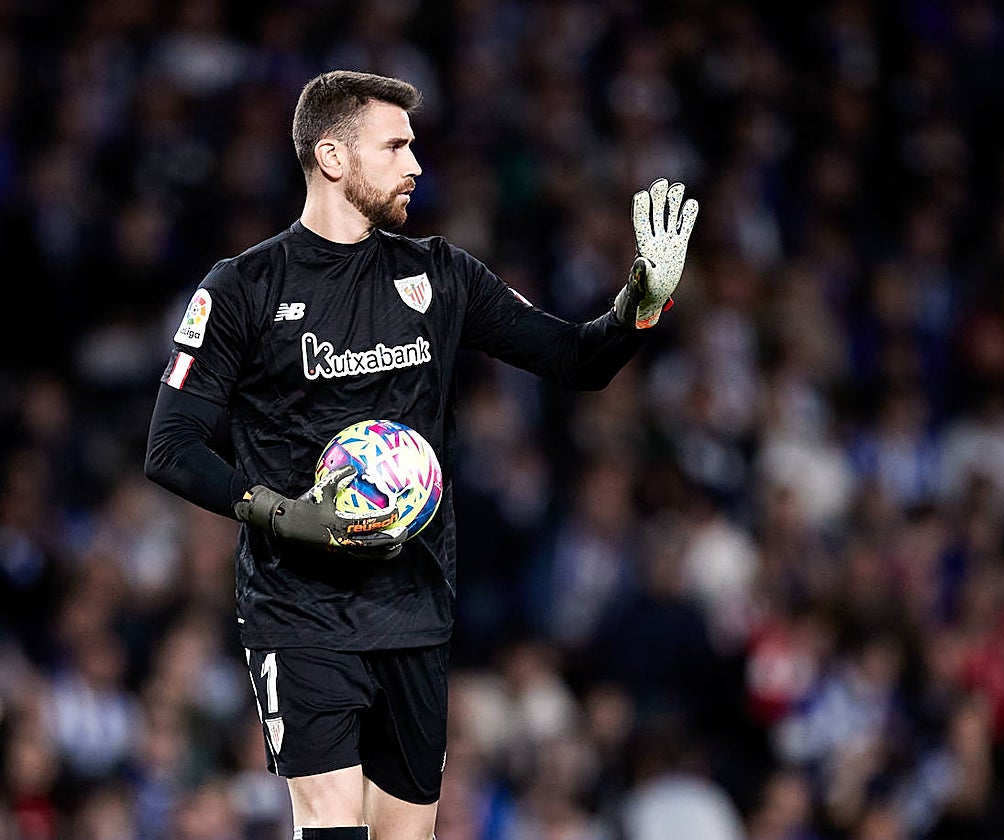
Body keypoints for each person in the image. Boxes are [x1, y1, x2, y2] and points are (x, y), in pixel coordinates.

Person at [142, 69, 698, 840]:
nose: (416, 165)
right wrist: (281, 516)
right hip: (300, 610)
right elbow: (169, 448)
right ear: (333, 158)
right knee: (333, 827)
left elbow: (576, 360)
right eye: (396, 146)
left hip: (414, 610)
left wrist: (639, 306)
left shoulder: (441, 275)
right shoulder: (244, 288)